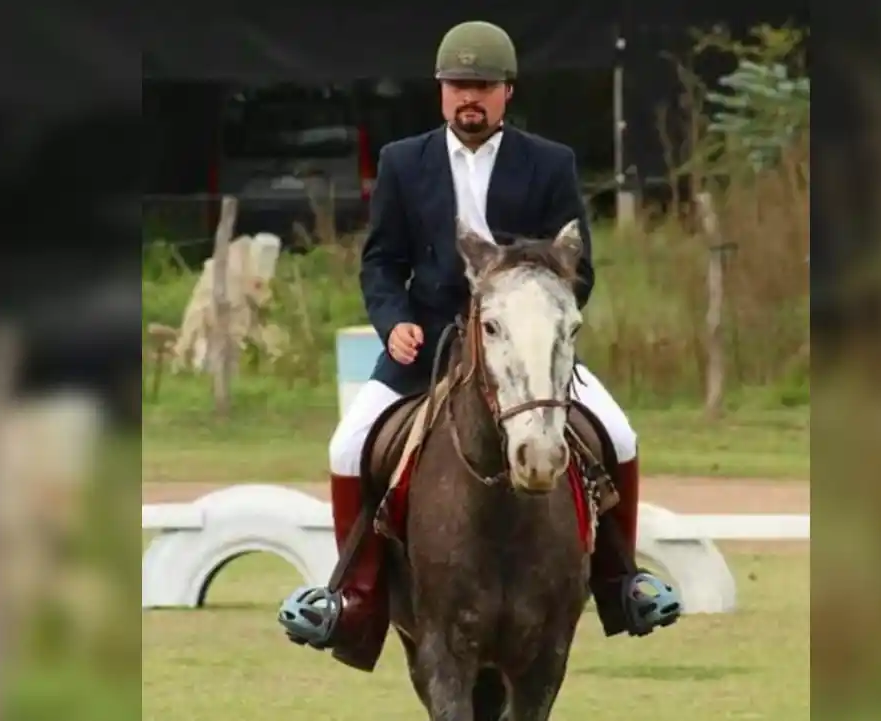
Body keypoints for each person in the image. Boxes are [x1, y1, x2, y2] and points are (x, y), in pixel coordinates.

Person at [277, 20, 682, 672]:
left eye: (484, 86)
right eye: (459, 85)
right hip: (429, 346)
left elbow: (579, 269)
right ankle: (352, 600)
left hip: (526, 350)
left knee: (621, 434)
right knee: (347, 444)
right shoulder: (404, 162)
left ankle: (621, 583)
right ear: (441, 91)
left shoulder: (550, 163)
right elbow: (381, 263)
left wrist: (543, 324)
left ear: (506, 92)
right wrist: (394, 322)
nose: (471, 97)